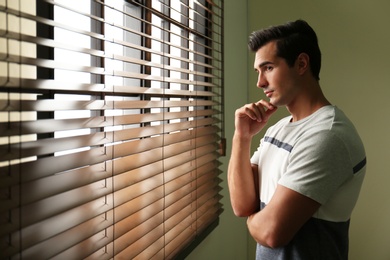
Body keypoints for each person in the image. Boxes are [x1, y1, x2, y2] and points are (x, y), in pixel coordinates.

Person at [227, 19, 366, 259]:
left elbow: (271, 233)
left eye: (268, 68)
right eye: (258, 72)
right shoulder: (279, 129)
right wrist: (242, 137)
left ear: (301, 63)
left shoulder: (327, 136)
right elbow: (241, 205)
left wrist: (254, 218)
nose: (260, 82)